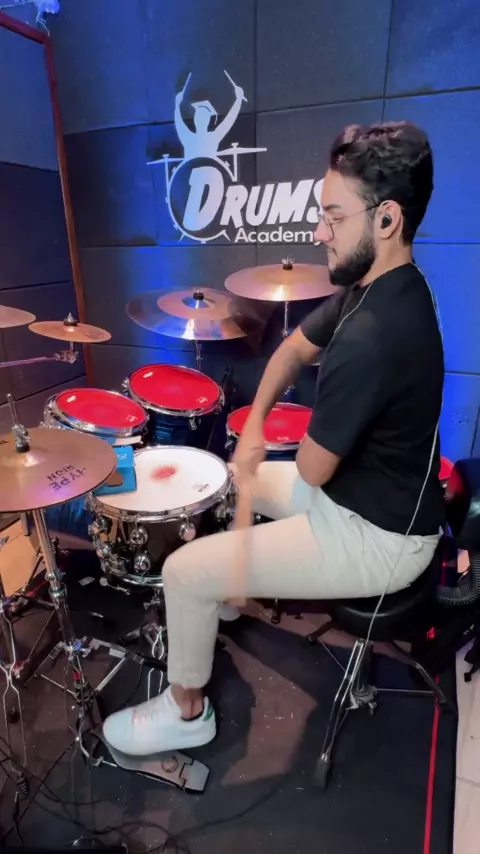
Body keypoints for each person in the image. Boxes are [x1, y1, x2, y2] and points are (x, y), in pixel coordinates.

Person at [103, 121, 445, 756]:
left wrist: (270, 444)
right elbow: (290, 350)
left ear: (386, 219)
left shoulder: (375, 336)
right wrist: (254, 430)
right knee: (239, 476)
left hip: (380, 537)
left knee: (180, 570)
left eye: (333, 217)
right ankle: (224, 598)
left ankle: (187, 711)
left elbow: (312, 470)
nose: (318, 233)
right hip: (369, 499)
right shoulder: (381, 287)